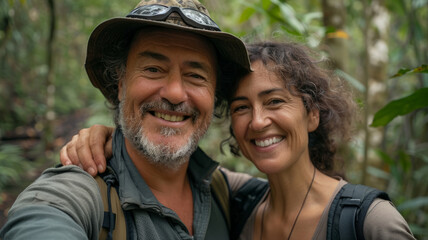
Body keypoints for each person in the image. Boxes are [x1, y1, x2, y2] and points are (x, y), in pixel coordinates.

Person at [61, 41, 416, 239]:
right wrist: (112, 136)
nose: (259, 121)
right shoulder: (237, 200)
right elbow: (162, 164)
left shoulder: (368, 222)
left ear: (312, 114)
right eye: (242, 107)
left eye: (275, 101)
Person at [0, 0, 257, 239]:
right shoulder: (77, 194)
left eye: (196, 75)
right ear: (121, 83)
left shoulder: (224, 191)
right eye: (153, 69)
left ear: (213, 95)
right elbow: (41, 218)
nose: (176, 93)